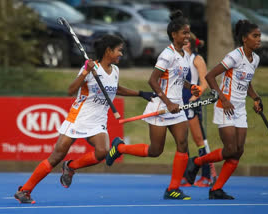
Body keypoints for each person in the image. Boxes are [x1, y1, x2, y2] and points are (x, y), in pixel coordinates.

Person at [14, 34, 156, 204]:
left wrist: (140, 93)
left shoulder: (115, 70)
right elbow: (71, 90)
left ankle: (71, 167)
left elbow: (114, 89)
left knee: (102, 152)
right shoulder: (90, 67)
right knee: (56, 156)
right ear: (108, 51)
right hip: (78, 117)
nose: (121, 54)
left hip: (98, 121)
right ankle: (25, 191)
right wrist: (86, 72)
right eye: (119, 51)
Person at [105, 10, 201, 200]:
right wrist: (168, 102)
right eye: (184, 33)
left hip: (177, 107)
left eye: (188, 33)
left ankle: (173, 189)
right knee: (155, 151)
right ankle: (120, 148)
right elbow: (153, 81)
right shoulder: (167, 54)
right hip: (160, 106)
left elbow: (177, 79)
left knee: (183, 144)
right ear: (174, 35)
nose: (187, 36)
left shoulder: (185, 56)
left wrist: (191, 87)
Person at [184, 19, 263, 199]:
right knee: (229, 149)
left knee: (238, 151)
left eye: (259, 36)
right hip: (224, 106)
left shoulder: (255, 59)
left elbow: (246, 83)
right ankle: (197, 161)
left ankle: (216, 189)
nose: (259, 39)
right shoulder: (235, 56)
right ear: (244, 39)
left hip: (240, 109)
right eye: (255, 36)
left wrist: (256, 98)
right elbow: (210, 76)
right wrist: (223, 98)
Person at [180, 33, 217, 187]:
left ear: (190, 43)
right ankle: (187, 177)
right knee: (181, 140)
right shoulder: (178, 58)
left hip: (191, 103)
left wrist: (194, 98)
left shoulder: (197, 58)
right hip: (179, 103)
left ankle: (208, 176)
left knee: (199, 140)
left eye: (185, 41)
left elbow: (204, 83)